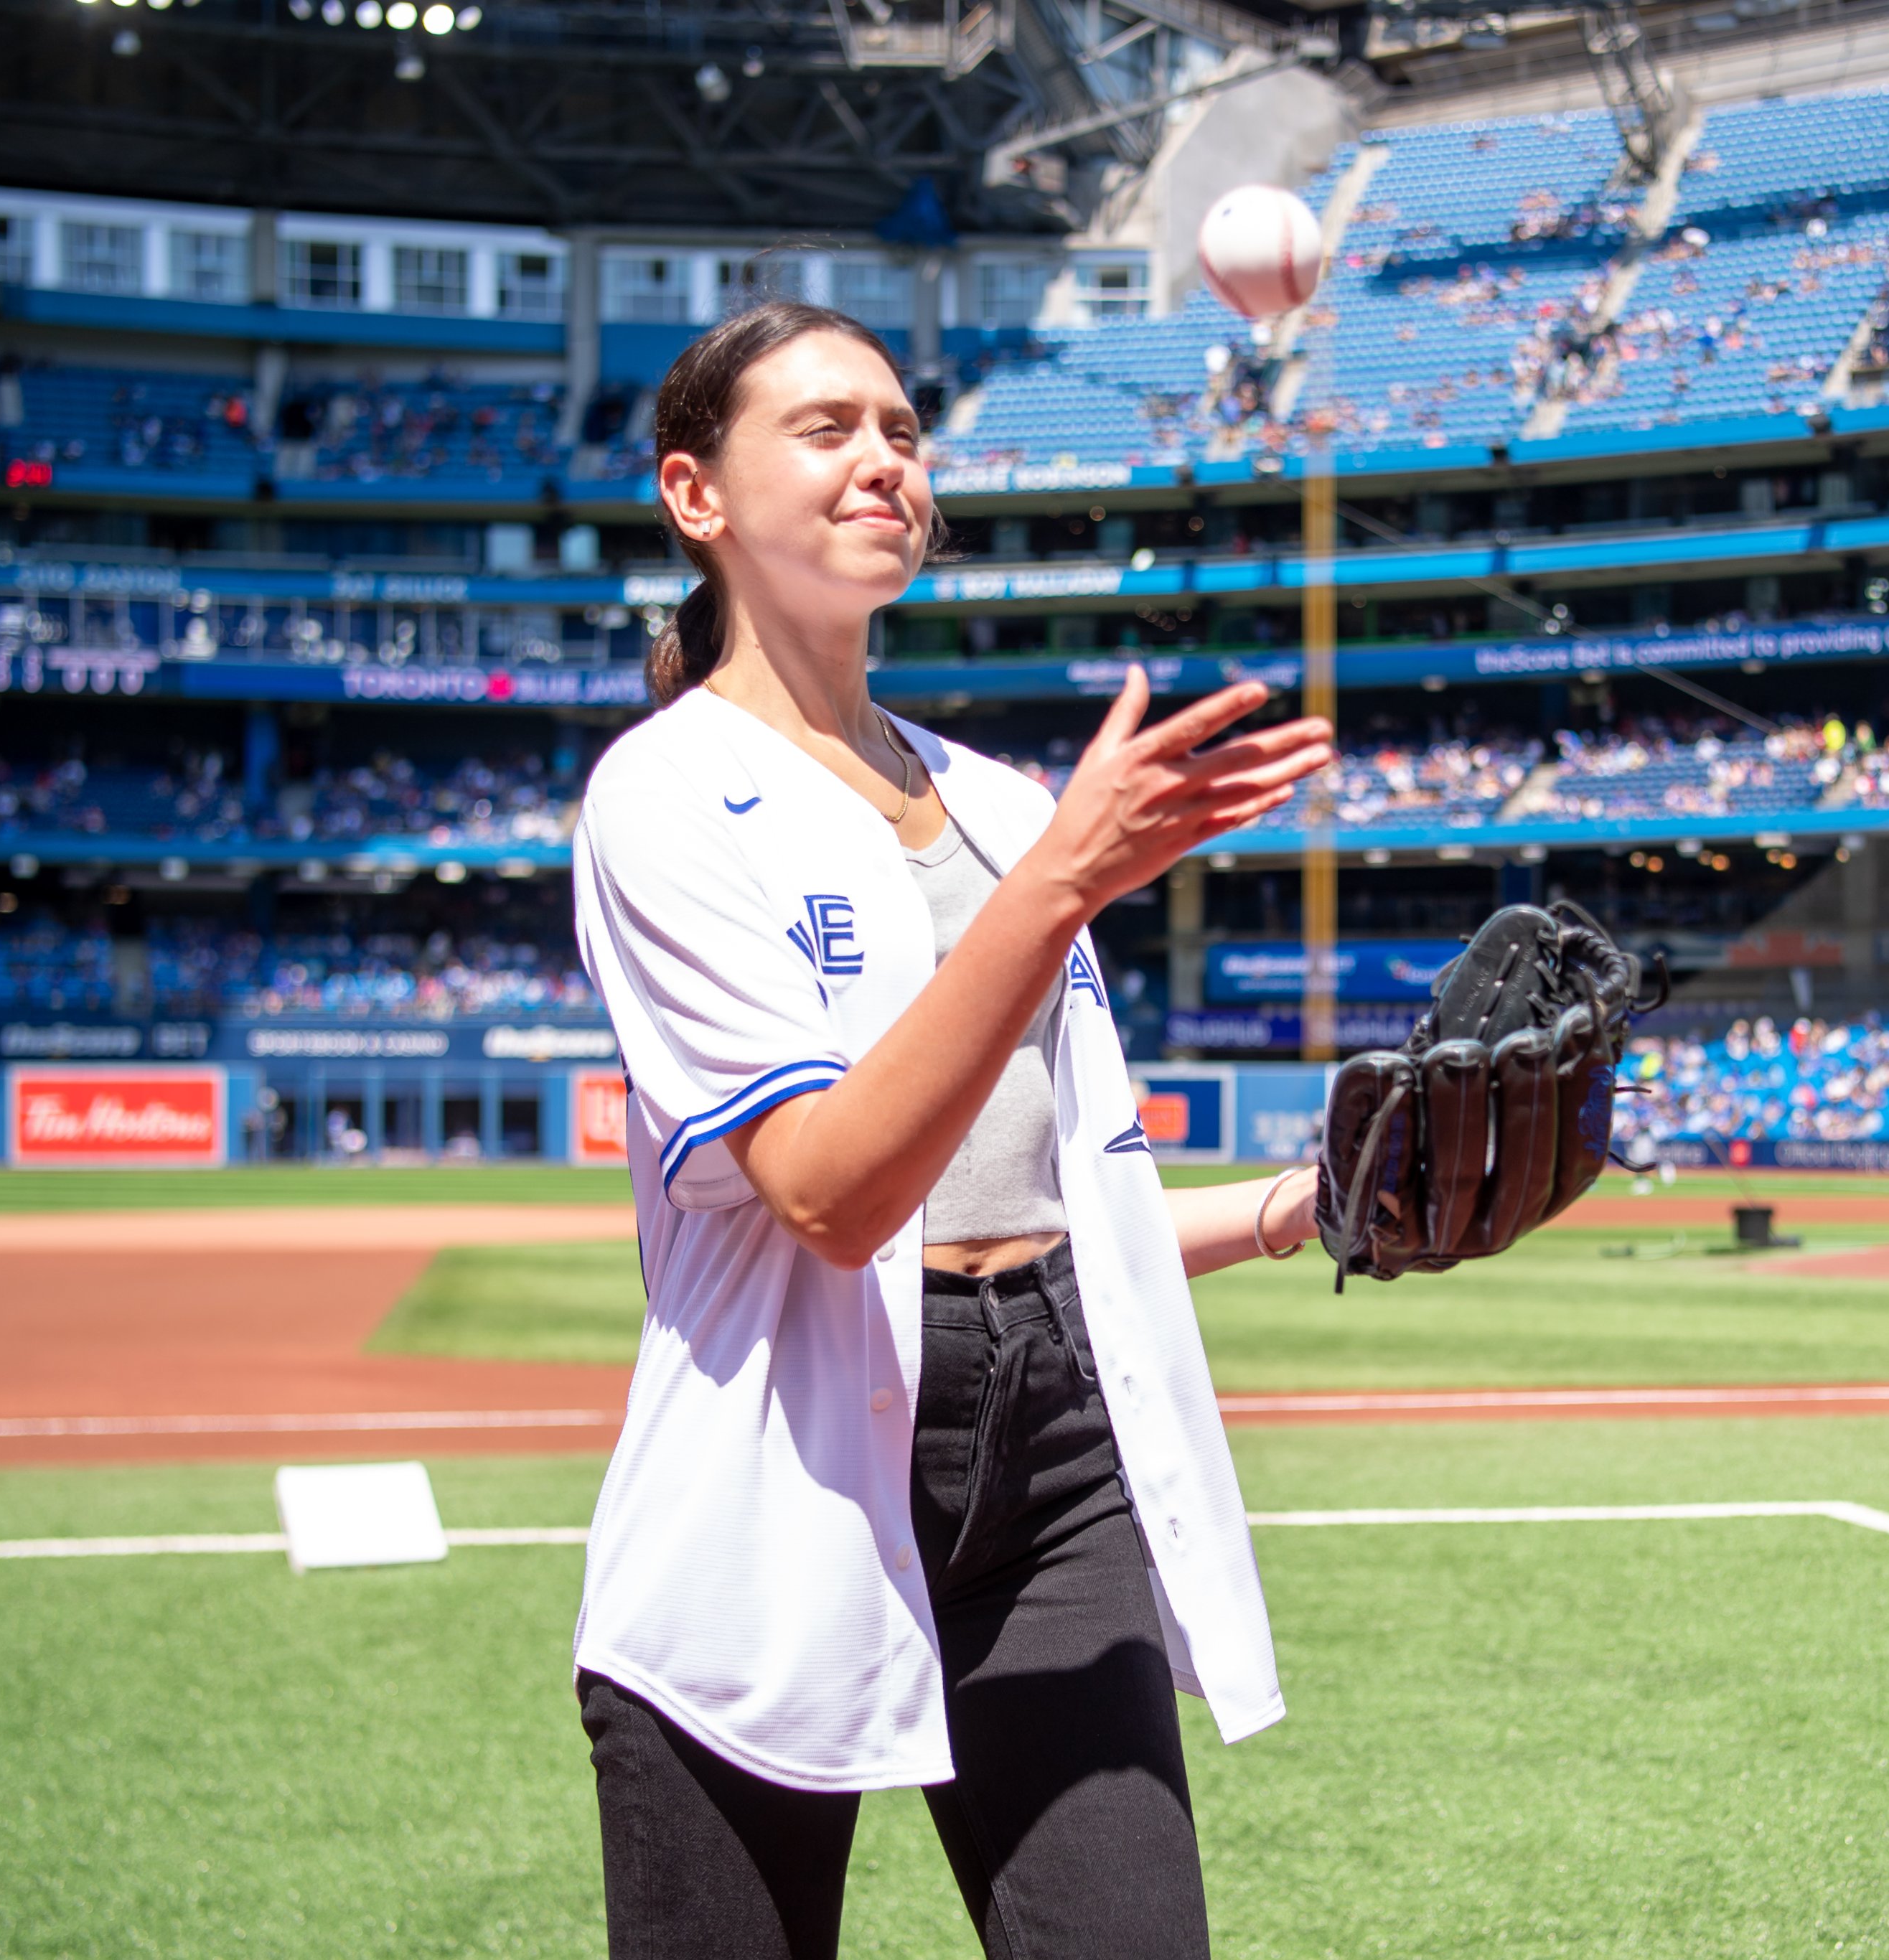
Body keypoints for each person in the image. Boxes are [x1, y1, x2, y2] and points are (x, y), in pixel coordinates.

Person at [563, 300, 1336, 1960]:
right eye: (827, 428)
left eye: (903, 433)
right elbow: (834, 1199)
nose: (883, 462)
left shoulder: (994, 799)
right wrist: (1066, 881)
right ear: (696, 496)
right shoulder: (664, 790)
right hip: (791, 1478)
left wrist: (1304, 1204)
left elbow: (1062, 1209)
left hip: (1055, 1459)